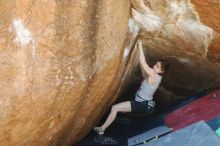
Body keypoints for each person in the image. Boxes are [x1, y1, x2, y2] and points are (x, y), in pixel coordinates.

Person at [93, 40, 170, 135]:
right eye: (156, 64)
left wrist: (140, 46)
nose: (154, 66)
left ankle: (102, 129)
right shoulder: (157, 77)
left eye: (158, 66)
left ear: (162, 71)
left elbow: (143, 62)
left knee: (115, 108)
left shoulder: (153, 75)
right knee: (118, 108)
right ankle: (117, 118)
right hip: (143, 103)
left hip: (141, 104)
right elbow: (144, 74)